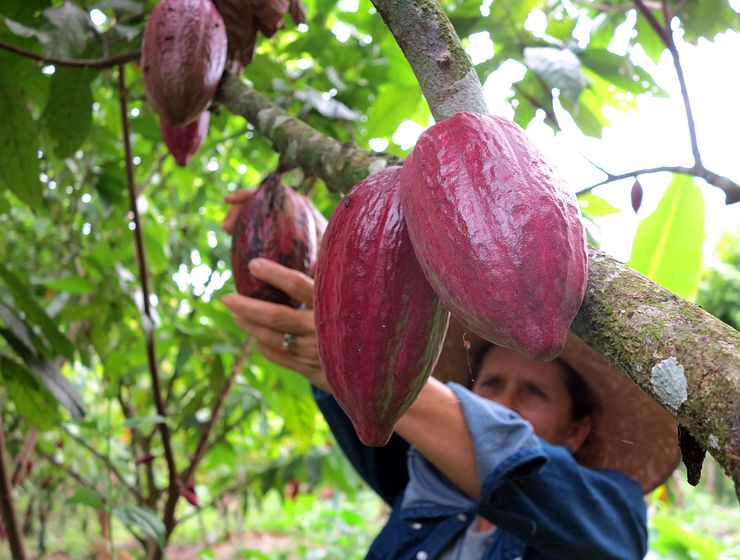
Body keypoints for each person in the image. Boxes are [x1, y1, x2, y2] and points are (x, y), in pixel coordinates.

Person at [222, 192, 681, 559]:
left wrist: (362, 358)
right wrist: (305, 238)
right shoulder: (424, 482)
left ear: (577, 430)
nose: (500, 404)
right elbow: (363, 406)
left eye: (534, 391)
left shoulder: (609, 511)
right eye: (491, 384)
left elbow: (528, 476)